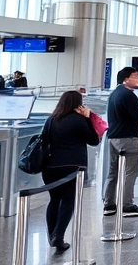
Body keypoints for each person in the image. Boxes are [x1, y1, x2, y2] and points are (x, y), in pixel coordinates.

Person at [44, 90, 101, 253]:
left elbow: (44, 140)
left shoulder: (51, 119)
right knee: (68, 200)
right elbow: (94, 140)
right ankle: (59, 236)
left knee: (54, 200)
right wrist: (88, 118)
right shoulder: (78, 120)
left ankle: (52, 235)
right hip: (72, 167)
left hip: (50, 167)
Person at [103, 67, 138, 216]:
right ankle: (127, 203)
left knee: (113, 171)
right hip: (127, 138)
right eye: (136, 76)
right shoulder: (128, 95)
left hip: (113, 137)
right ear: (126, 79)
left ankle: (109, 203)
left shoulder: (114, 93)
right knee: (130, 171)